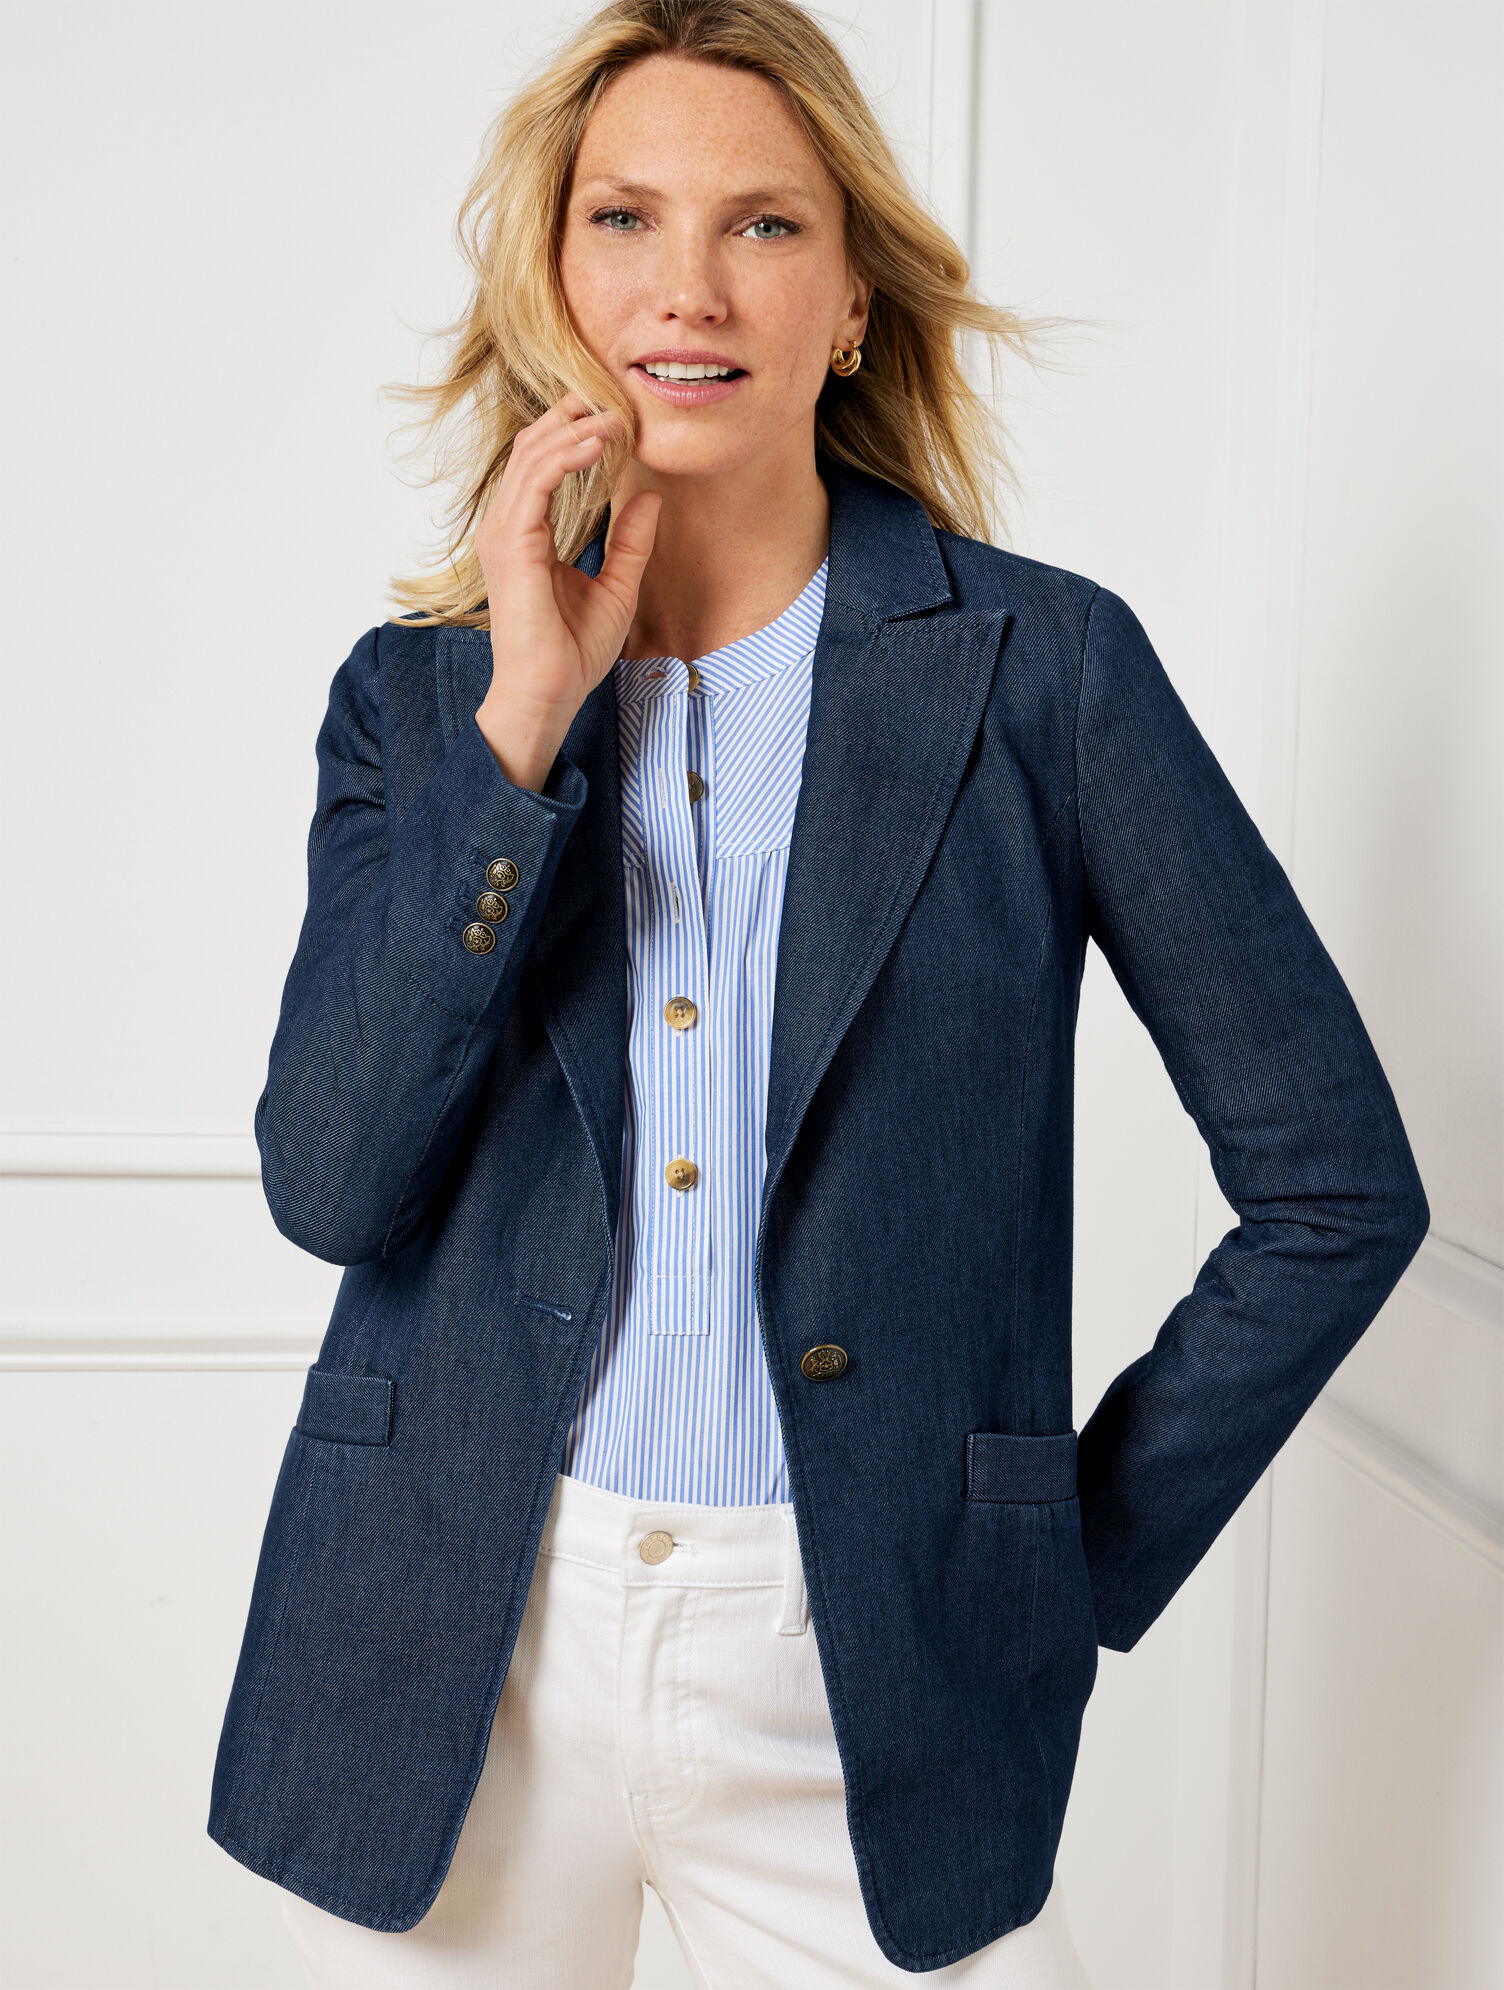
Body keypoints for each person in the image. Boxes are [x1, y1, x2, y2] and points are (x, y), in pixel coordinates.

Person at [207, 2, 1430, 1984]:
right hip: (461, 1644)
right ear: (553, 273)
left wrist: (1057, 1552)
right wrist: (524, 725)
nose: (686, 288)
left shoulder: (1043, 674)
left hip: (864, 1663)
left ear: (853, 297)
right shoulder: (420, 698)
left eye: (763, 225)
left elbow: (1335, 1188)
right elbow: (331, 1182)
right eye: (624, 218)